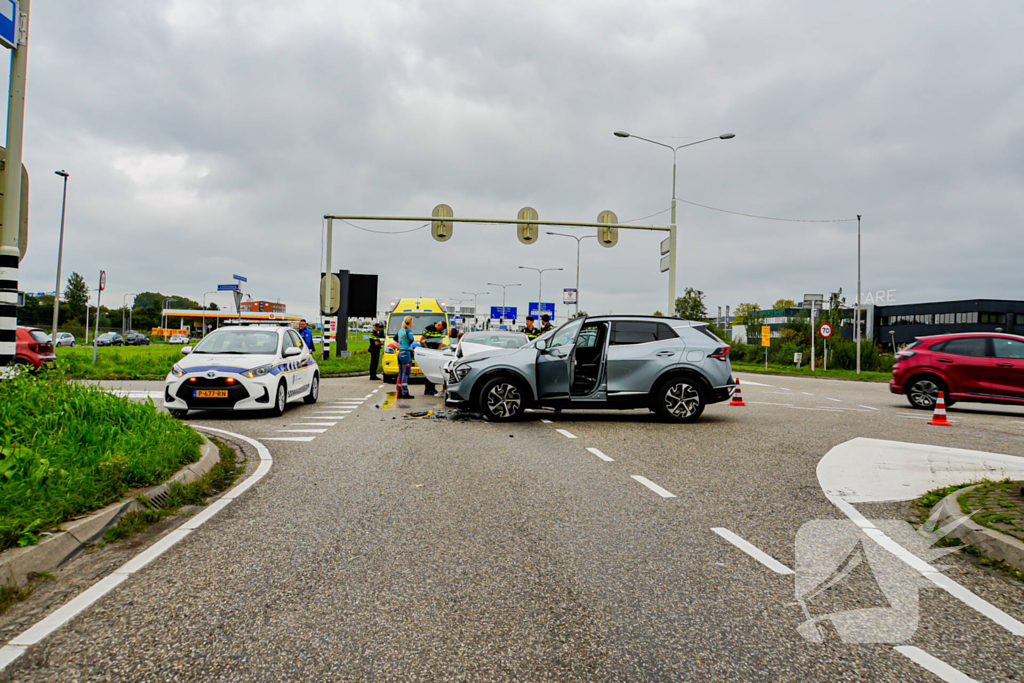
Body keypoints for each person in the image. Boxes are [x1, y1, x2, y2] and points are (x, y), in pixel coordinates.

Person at [421, 320, 447, 396]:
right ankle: (428, 389)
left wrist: (438, 352)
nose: (441, 331)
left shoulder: (441, 331)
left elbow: (440, 342)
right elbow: (422, 341)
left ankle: (432, 388)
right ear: (438, 325)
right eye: (441, 329)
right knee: (429, 370)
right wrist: (427, 350)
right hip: (428, 351)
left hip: (435, 352)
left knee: (433, 370)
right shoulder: (428, 329)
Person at [396, 316, 415, 399]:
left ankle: (399, 392)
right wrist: (407, 345)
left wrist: (401, 344)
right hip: (406, 353)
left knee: (400, 373)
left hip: (400, 353)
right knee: (405, 373)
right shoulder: (408, 330)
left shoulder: (400, 331)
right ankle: (405, 392)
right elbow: (411, 339)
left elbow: (394, 338)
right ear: (410, 322)